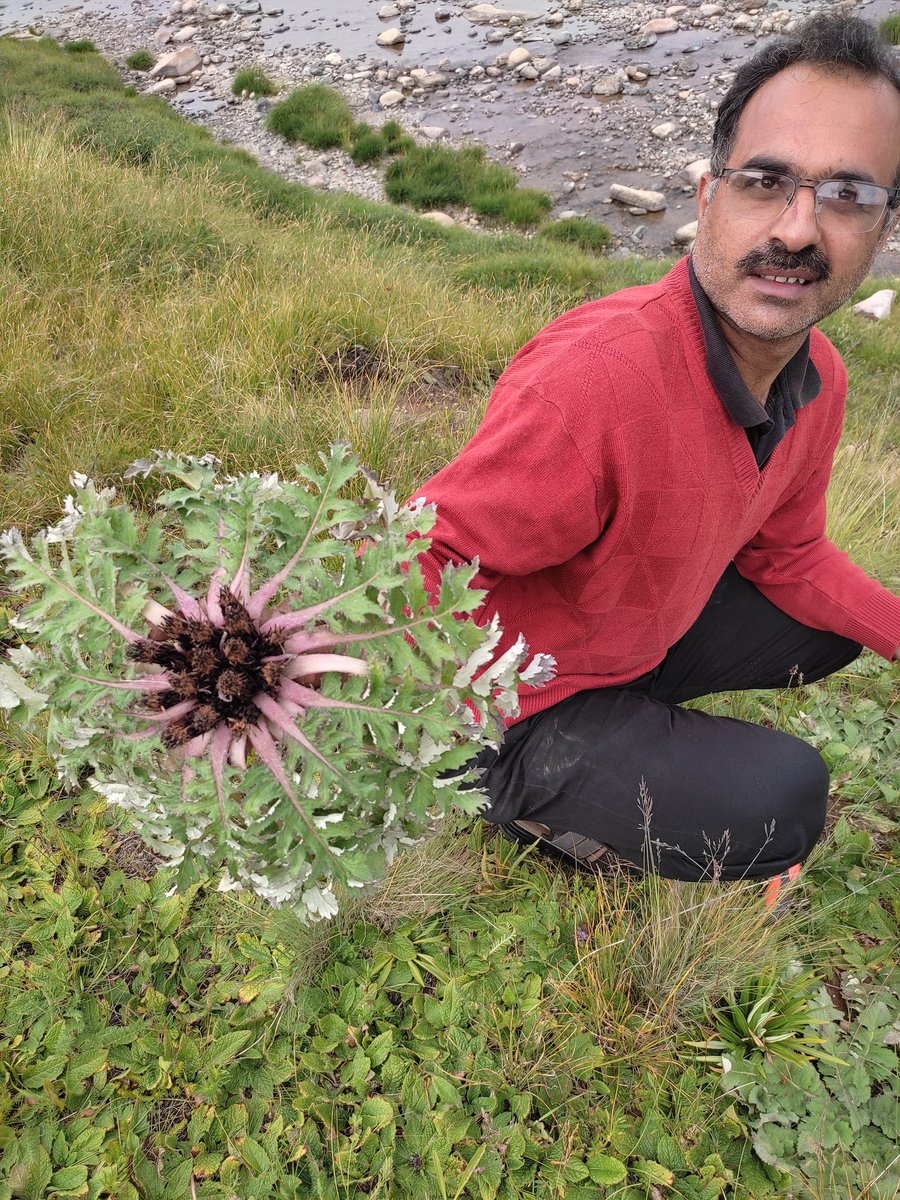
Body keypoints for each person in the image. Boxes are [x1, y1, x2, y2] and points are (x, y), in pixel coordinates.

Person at [409, 15, 900, 896]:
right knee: (786, 800)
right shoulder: (594, 386)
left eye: (847, 196)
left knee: (832, 632)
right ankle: (494, 787)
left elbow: (787, 555)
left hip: (628, 637)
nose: (797, 230)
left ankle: (628, 713)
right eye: (767, 181)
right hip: (509, 698)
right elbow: (418, 557)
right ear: (708, 195)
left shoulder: (818, 375)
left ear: (882, 226)